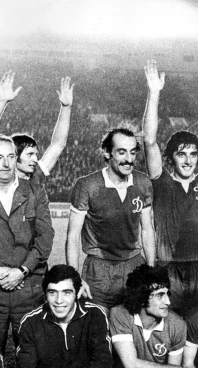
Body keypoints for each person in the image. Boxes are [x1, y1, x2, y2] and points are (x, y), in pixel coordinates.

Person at [141, 61, 198, 315]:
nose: (188, 160)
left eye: (193, 154)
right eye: (181, 154)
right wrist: (154, 93)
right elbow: (149, 140)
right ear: (171, 159)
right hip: (168, 268)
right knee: (169, 326)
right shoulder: (161, 181)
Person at [0, 135, 54, 353]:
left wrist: (23, 270)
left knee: (33, 355)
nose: (6, 163)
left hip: (29, 288)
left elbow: (45, 238)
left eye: (10, 156)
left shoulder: (35, 191)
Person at [16, 265, 112, 368]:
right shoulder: (31, 322)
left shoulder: (95, 315)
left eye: (66, 292)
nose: (59, 301)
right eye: (52, 293)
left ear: (77, 293)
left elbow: (103, 365)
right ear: (45, 295)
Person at [66, 128, 155, 310]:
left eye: (132, 152)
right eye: (122, 152)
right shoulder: (87, 185)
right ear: (107, 153)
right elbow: (72, 236)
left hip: (134, 265)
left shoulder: (143, 183)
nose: (129, 159)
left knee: (133, 323)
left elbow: (147, 230)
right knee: (99, 323)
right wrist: (75, 278)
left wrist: (151, 270)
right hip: (99, 270)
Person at [0, 70, 74, 183]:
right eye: (29, 154)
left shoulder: (35, 175)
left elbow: (58, 144)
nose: (35, 159)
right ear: (14, 156)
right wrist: (1, 102)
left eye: (35, 154)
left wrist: (66, 107)